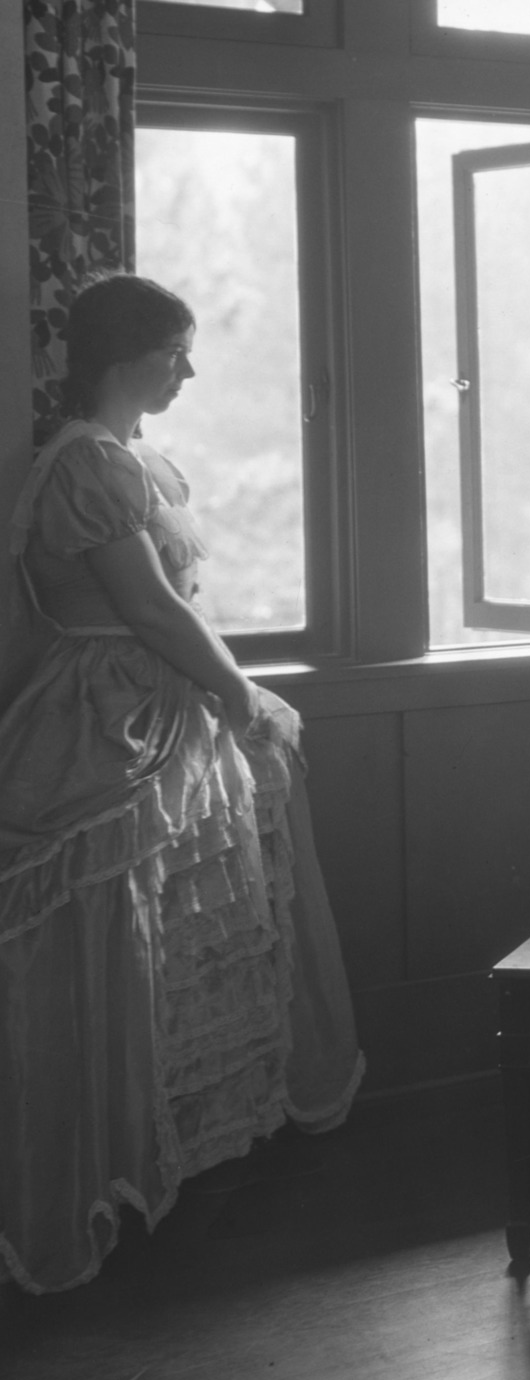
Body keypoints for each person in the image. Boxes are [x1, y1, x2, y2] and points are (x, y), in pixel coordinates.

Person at [0, 274, 365, 1294]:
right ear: (127, 356)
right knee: (114, 930)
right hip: (107, 706)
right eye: (176, 351)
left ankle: (178, 1144)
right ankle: (107, 1165)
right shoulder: (85, 467)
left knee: (175, 934)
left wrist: (228, 696)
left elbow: (171, 612)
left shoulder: (137, 462)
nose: (190, 370)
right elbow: (154, 611)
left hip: (159, 701)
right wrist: (242, 696)